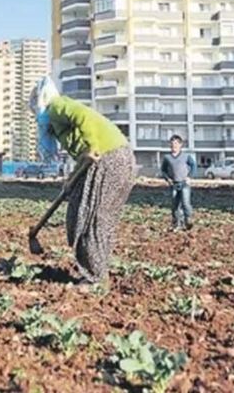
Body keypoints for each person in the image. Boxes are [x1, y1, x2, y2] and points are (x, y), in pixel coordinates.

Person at [30, 77, 136, 284]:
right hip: (116, 158)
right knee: (88, 215)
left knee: (93, 219)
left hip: (109, 157)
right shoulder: (57, 123)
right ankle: (96, 272)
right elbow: (83, 156)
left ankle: (95, 279)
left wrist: (92, 145)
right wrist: (71, 180)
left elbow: (82, 116)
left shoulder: (56, 107)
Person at [160, 135, 196, 231]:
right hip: (174, 184)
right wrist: (168, 179)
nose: (173, 145)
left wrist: (189, 177)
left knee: (185, 202)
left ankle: (188, 220)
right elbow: (163, 170)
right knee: (175, 205)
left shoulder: (186, 156)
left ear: (180, 145)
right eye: (172, 144)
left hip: (184, 183)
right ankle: (176, 224)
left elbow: (193, 166)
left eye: (176, 143)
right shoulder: (167, 158)